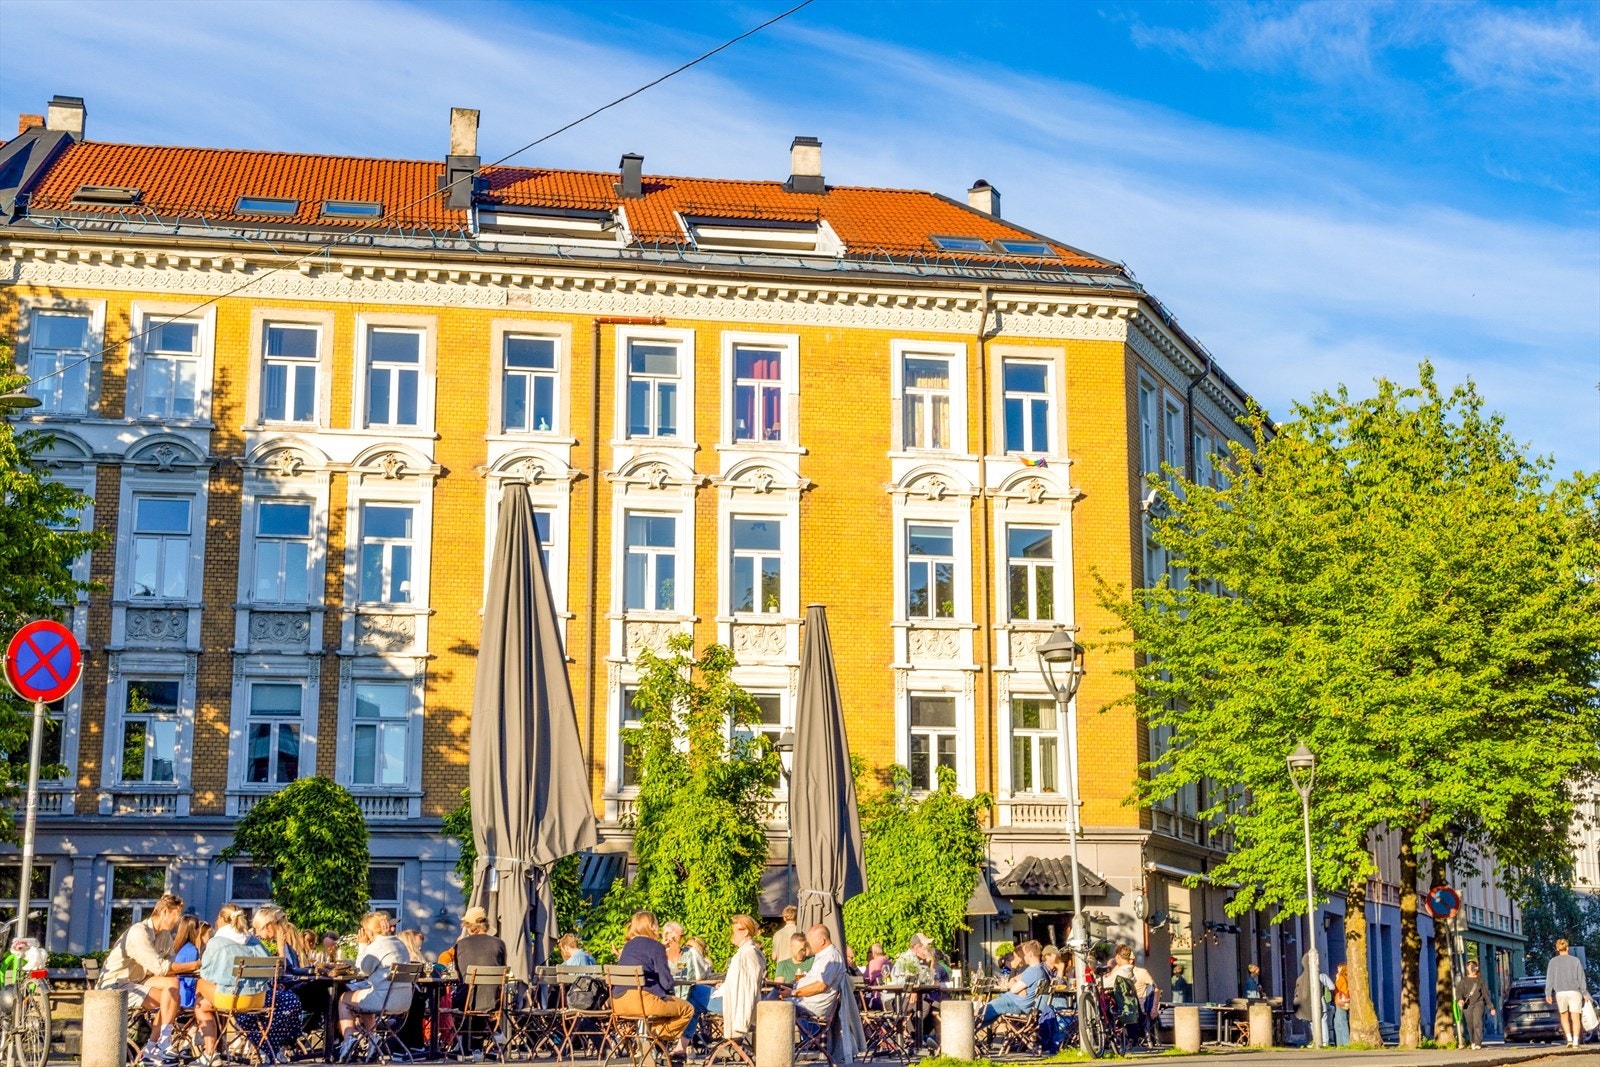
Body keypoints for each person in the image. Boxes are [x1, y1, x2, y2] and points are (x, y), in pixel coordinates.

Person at [101, 892, 202, 1065]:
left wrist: (189, 969)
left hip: (139, 980)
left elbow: (169, 966)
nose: (178, 920)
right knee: (169, 996)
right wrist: (196, 965)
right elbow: (160, 967)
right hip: (117, 984)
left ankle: (156, 1045)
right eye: (176, 914)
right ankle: (157, 1045)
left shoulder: (164, 935)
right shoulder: (139, 932)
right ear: (165, 912)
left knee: (172, 985)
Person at [195, 903, 271, 1065]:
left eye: (217, 917)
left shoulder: (217, 942)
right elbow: (269, 967)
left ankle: (209, 1052)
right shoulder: (254, 942)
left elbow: (206, 973)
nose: (215, 921)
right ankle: (216, 1047)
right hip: (258, 999)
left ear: (222, 919)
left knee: (201, 997)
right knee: (210, 1000)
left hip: (231, 1000)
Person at [336, 911, 413, 1060]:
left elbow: (362, 969)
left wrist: (363, 945)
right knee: (364, 999)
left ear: (369, 931)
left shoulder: (378, 945)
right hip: (403, 1000)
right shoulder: (399, 942)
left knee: (344, 998)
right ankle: (373, 1039)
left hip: (383, 999)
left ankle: (348, 1039)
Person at [611, 912, 695, 1044]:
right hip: (642, 1001)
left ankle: (652, 1042)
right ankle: (655, 1039)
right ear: (651, 926)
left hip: (618, 1002)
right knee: (687, 1009)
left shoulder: (628, 946)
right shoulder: (656, 946)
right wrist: (671, 994)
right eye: (656, 923)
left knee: (661, 1009)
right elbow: (666, 981)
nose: (658, 927)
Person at [249, 904, 307, 1055]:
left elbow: (288, 970)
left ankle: (287, 1042)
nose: (284, 927)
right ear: (269, 926)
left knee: (322, 992)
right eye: (280, 923)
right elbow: (277, 974)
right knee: (295, 998)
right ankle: (284, 1042)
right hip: (264, 993)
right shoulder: (259, 944)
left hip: (278, 988)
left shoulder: (277, 943)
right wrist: (281, 949)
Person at [705, 915, 766, 1042]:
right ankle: (693, 1040)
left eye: (735, 931)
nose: (733, 935)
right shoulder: (753, 952)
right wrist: (725, 986)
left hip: (733, 1002)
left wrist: (725, 988)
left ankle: (685, 1043)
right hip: (741, 1000)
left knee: (693, 993)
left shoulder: (745, 954)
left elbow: (743, 987)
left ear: (745, 932)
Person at [784, 925, 845, 1024]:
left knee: (772, 1006)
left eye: (810, 941)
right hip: (805, 1001)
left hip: (811, 1007)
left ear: (821, 941)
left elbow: (821, 986)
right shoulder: (823, 956)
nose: (807, 945)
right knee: (772, 998)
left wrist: (793, 992)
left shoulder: (832, 957)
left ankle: (773, 1039)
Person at [978, 940, 1047, 1025]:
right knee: (986, 1015)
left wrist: (1016, 986)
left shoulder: (1033, 971)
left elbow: (1013, 989)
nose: (1023, 957)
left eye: (1024, 954)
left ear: (1030, 954)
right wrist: (1020, 988)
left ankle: (965, 1029)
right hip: (1015, 1003)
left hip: (1015, 1004)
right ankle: (970, 1031)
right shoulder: (1037, 969)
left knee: (980, 1013)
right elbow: (1013, 980)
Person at [1545, 937, 1591, 1048]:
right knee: (1575, 1017)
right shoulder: (1575, 961)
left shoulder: (1553, 962)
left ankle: (1569, 1039)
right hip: (1574, 992)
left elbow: (1549, 978)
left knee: (1564, 1016)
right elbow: (1581, 978)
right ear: (1568, 948)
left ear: (1557, 949)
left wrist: (1548, 993)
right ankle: (1576, 1041)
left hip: (1560, 992)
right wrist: (1584, 993)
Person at [171, 915, 205, 1012]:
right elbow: (190, 981)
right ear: (196, 930)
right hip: (186, 998)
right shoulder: (192, 950)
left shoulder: (175, 948)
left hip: (173, 993)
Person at [1455, 960, 1492, 1050]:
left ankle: (1478, 1043)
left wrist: (1491, 1007)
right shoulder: (1463, 981)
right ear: (1467, 968)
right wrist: (1460, 999)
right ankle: (1473, 1041)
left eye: (1473, 966)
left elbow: (1485, 994)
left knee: (1477, 1022)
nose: (1471, 968)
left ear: (1476, 968)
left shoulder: (1480, 981)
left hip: (1479, 1003)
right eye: (1470, 966)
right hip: (1467, 1004)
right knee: (1470, 1024)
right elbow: (1459, 992)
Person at [1331, 962, 1351, 1047]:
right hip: (1344, 1001)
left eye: (1338, 968)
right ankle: (1341, 1043)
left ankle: (1343, 1043)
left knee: (1340, 1021)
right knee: (1338, 1021)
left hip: (1340, 1001)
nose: (1337, 970)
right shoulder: (1347, 977)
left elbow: (1338, 988)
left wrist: (1337, 979)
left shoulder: (1341, 978)